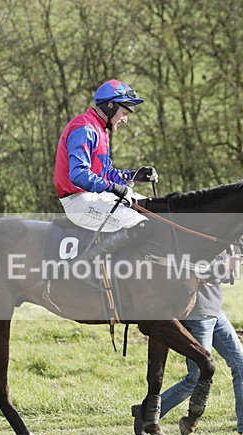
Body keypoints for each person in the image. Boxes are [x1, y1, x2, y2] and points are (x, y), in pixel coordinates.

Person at [133, 255, 243, 435]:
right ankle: (146, 412)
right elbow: (195, 272)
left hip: (216, 312)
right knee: (196, 377)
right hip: (196, 316)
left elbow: (221, 276)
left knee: (242, 367)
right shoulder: (194, 242)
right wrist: (223, 266)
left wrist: (231, 267)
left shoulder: (219, 240)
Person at [54, 79, 158, 289]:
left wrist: (134, 176)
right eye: (124, 113)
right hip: (78, 201)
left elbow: (105, 173)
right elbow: (79, 175)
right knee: (140, 224)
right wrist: (113, 187)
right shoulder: (84, 128)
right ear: (110, 106)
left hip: (93, 196)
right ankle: (85, 265)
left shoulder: (99, 130)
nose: (125, 120)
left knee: (151, 209)